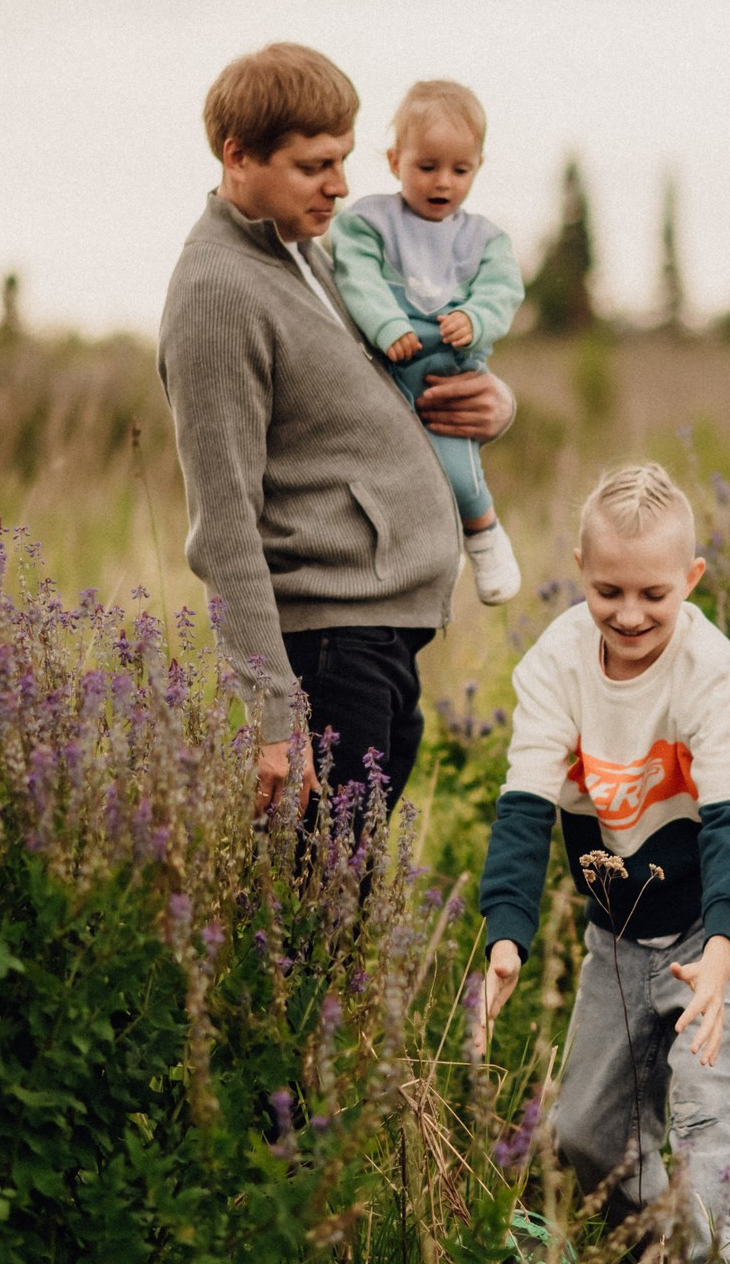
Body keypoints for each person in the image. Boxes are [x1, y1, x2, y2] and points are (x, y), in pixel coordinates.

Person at [476, 463, 730, 1264]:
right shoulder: (556, 663)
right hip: (624, 910)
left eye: (653, 593)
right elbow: (523, 807)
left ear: (690, 580)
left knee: (706, 1104)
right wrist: (506, 933)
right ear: (579, 566)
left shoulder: (709, 668)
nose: (628, 614)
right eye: (607, 589)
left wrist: (726, 946)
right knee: (586, 1131)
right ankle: (653, 1249)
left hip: (725, 903)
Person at [157, 42, 515, 816]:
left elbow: (391, 387)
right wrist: (272, 714)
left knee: (338, 897)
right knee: (319, 909)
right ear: (238, 156)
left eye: (346, 159)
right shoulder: (219, 291)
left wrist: (496, 404)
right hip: (326, 648)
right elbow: (223, 525)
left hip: (378, 637)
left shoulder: (305, 256)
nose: (342, 186)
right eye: (315, 165)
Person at [331, 79, 525, 605]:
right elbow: (358, 278)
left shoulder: (485, 239)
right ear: (395, 160)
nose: (443, 183)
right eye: (427, 167)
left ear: (478, 166)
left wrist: (475, 318)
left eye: (460, 170)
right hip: (385, 367)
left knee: (456, 471)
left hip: (445, 372)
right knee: (397, 483)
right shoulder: (367, 223)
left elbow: (503, 290)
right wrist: (387, 325)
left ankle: (483, 534)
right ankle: (434, 555)